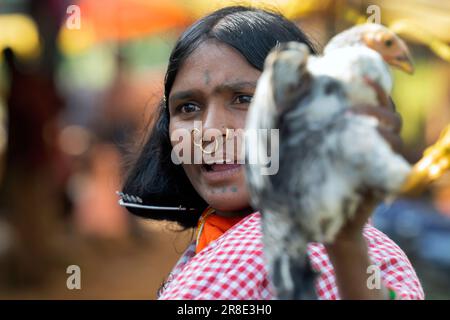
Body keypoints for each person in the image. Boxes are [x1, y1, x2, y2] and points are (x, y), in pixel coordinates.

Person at [122, 6, 424, 300]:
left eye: (244, 99)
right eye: (188, 107)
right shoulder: (213, 244)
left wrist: (347, 252)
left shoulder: (351, 255)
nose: (210, 131)